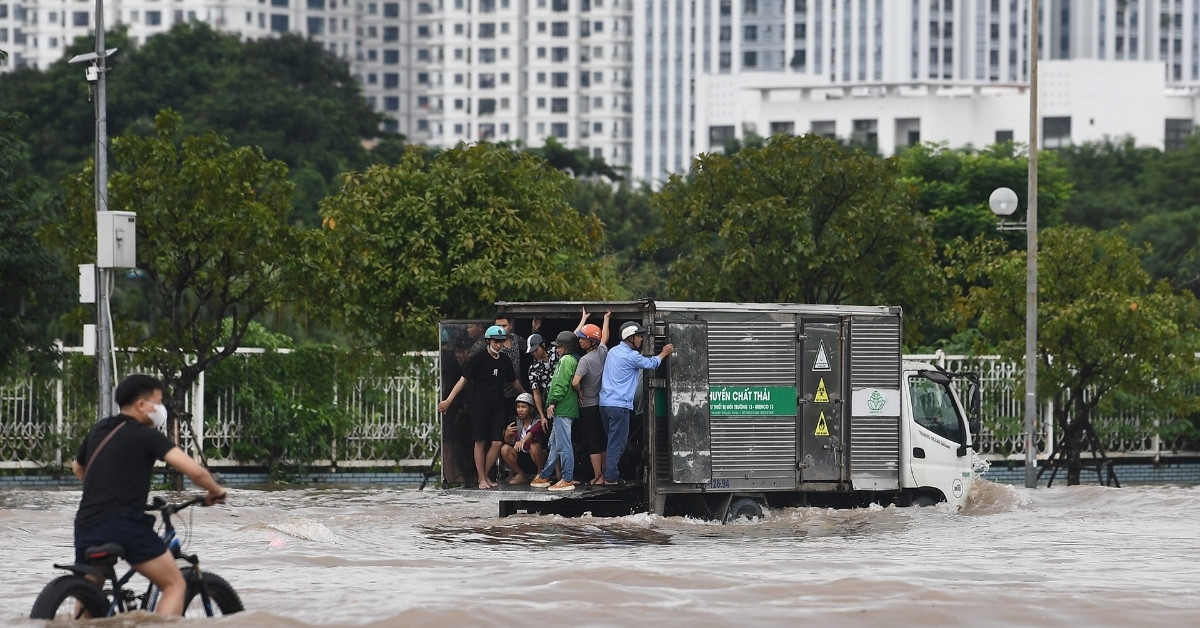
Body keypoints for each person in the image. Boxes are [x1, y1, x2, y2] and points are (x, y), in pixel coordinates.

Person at [72, 374, 227, 617]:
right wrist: (216, 491)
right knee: (174, 584)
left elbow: (78, 468)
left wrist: (103, 491)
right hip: (123, 524)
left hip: (85, 523)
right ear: (142, 405)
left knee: (91, 586)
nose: (161, 409)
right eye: (158, 402)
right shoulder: (147, 436)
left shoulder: (99, 430)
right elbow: (194, 471)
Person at [438, 325, 528, 489]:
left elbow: (513, 381)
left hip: (498, 406)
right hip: (480, 407)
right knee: (479, 441)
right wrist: (449, 400)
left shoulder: (505, 360)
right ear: (488, 341)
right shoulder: (478, 358)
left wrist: (526, 395)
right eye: (495, 341)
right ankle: (481, 478)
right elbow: (463, 380)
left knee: (497, 442)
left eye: (501, 342)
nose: (499, 345)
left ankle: (484, 475)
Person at [598, 322, 674, 485]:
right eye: (639, 336)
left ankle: (612, 473)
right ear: (631, 337)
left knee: (612, 440)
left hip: (605, 404)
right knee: (617, 442)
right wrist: (664, 353)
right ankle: (611, 477)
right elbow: (652, 364)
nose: (641, 339)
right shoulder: (631, 356)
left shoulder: (613, 352)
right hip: (620, 405)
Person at [530, 330, 581, 492]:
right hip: (563, 408)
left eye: (559, 347)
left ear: (566, 348)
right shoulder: (571, 359)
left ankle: (567, 478)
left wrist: (553, 402)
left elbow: (561, 383)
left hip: (563, 407)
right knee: (554, 443)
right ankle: (545, 475)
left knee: (564, 445)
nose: (556, 350)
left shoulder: (566, 360)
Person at [572, 309, 611, 484]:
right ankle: (604, 473)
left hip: (587, 406)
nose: (580, 341)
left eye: (583, 338)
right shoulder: (603, 352)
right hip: (601, 404)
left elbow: (574, 382)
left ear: (591, 341)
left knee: (592, 442)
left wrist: (579, 392)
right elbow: (604, 338)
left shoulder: (584, 360)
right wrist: (606, 319)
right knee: (602, 440)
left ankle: (597, 476)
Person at [499, 393, 548, 485]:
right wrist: (507, 435)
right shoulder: (516, 421)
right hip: (522, 458)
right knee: (504, 448)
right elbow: (510, 442)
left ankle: (540, 474)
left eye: (523, 407)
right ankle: (522, 474)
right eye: (518, 407)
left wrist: (523, 440)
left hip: (535, 457)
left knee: (534, 446)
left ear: (531, 408)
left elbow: (533, 431)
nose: (520, 410)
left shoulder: (538, 421)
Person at [525, 333, 557, 424]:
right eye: (532, 352)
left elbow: (569, 340)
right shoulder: (533, 368)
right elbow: (536, 393)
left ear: (543, 345)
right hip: (548, 401)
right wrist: (542, 416)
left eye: (536, 350)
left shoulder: (555, 351)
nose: (534, 353)